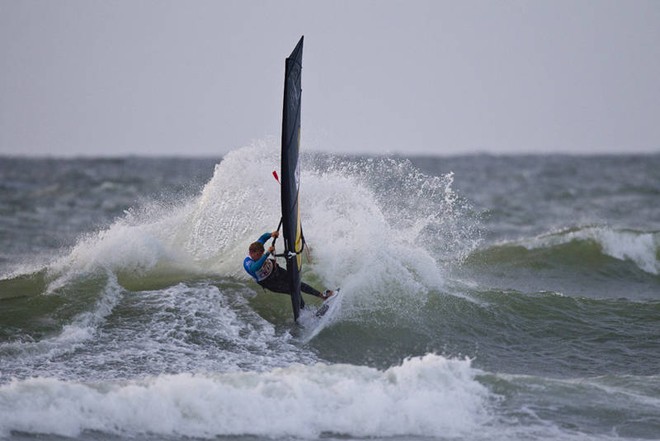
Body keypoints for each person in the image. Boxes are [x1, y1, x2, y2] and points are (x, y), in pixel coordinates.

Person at [243, 231, 333, 308]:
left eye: (261, 254)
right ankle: (305, 311)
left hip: (276, 270)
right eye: (258, 255)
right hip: (269, 282)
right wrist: (267, 254)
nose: (260, 256)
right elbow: (255, 268)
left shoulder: (257, 246)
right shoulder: (247, 262)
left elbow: (262, 238)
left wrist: (271, 234)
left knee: (297, 283)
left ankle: (323, 296)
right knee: (293, 290)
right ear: (251, 253)